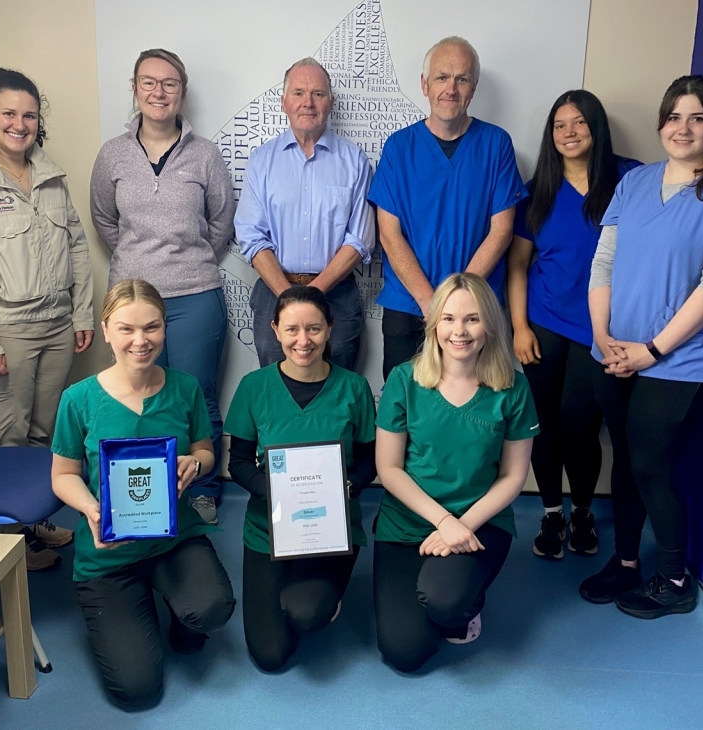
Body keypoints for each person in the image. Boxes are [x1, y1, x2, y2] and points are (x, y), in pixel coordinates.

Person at [579, 75, 703, 619]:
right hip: (613, 353)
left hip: (679, 360)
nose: (683, 128)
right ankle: (628, 562)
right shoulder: (634, 183)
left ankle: (674, 579)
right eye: (674, 117)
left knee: (653, 463)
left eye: (697, 117)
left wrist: (651, 351)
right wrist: (603, 337)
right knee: (628, 460)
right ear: (661, 125)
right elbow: (603, 263)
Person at [50, 279, 236, 708]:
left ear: (165, 328)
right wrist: (90, 508)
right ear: (106, 329)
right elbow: (63, 475)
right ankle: (138, 608)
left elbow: (205, 450)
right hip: (109, 552)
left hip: (174, 537)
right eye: (127, 328)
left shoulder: (185, 387)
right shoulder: (78, 400)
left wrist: (196, 463)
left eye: (152, 327)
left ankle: (177, 611)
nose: (141, 340)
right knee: (137, 691)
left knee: (212, 609)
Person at [0, 67, 94, 571]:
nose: (19, 124)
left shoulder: (51, 176)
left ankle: (35, 524)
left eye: (29, 115)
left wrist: (81, 312)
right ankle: (12, 543)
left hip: (55, 324)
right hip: (5, 332)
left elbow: (76, 244)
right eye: (8, 113)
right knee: (10, 437)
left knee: (46, 433)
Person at [90, 48, 235, 526]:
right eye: (149, 82)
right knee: (138, 395)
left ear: (182, 91)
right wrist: (140, 261)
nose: (159, 92)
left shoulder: (206, 154)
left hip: (195, 294)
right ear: (134, 88)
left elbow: (220, 222)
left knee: (196, 395)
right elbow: (104, 221)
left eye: (169, 83)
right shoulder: (112, 153)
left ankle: (203, 489)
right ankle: (145, 489)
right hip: (131, 299)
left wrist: (184, 257)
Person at [373, 273, 538, 672]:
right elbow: (389, 468)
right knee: (404, 652)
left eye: (472, 319)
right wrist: (443, 521)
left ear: (490, 325)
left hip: (478, 526)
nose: (459, 331)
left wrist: (460, 526)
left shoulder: (512, 388)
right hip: (407, 523)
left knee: (447, 606)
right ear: (433, 324)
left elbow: (513, 477)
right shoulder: (404, 380)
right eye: (448, 319)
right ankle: (435, 594)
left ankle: (460, 602)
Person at [506, 90, 641, 561]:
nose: (569, 133)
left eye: (579, 122)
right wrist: (519, 327)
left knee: (582, 427)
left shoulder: (630, 179)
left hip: (603, 329)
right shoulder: (536, 189)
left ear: (596, 127)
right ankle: (551, 512)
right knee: (544, 426)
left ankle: (582, 508)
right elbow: (519, 265)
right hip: (544, 323)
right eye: (559, 125)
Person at [225, 285, 376, 671]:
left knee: (306, 614)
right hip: (268, 530)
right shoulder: (254, 388)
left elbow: (370, 459)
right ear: (275, 329)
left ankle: (325, 596)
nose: (303, 340)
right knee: (271, 656)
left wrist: (348, 487)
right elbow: (238, 462)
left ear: (330, 329)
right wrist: (275, 494)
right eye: (292, 329)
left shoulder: (354, 388)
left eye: (314, 328)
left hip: (332, 529)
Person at [368, 37, 527, 379]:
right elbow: (389, 235)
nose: (450, 89)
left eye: (461, 79)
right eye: (442, 77)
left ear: (473, 87)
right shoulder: (399, 148)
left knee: (472, 413)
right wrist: (432, 303)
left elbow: (502, 231)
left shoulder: (496, 144)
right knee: (404, 410)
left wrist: (459, 305)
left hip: (476, 313)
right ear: (424, 84)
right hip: (409, 306)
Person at [235, 57, 375, 372]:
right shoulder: (262, 161)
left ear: (331, 102)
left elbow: (361, 239)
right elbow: (251, 235)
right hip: (274, 293)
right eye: (298, 93)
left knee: (339, 392)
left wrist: (313, 293)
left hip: (337, 295)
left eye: (318, 94)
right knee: (277, 393)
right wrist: (289, 297)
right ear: (284, 102)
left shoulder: (354, 161)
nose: (307, 103)